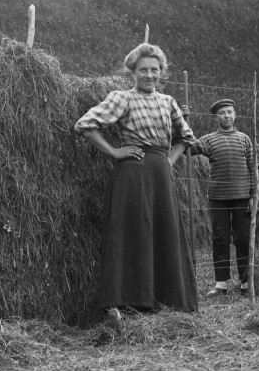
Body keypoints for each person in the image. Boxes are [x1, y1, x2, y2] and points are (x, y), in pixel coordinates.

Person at [74, 43, 198, 313]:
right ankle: (131, 302)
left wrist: (169, 160)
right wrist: (115, 152)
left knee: (164, 231)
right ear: (133, 71)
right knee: (134, 232)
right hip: (132, 173)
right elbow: (84, 125)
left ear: (162, 72)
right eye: (143, 70)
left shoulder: (168, 102)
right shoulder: (122, 98)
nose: (149, 75)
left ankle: (168, 302)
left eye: (155, 70)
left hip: (161, 174)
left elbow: (186, 137)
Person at [184, 98, 256, 296]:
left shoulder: (244, 139)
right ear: (215, 117)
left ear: (235, 115)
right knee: (220, 238)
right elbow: (188, 148)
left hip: (242, 197)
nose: (227, 115)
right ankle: (221, 283)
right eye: (222, 112)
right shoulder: (209, 139)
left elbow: (252, 169)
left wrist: (252, 196)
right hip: (218, 197)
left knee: (243, 239)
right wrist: (183, 120)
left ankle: (245, 281)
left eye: (230, 112)